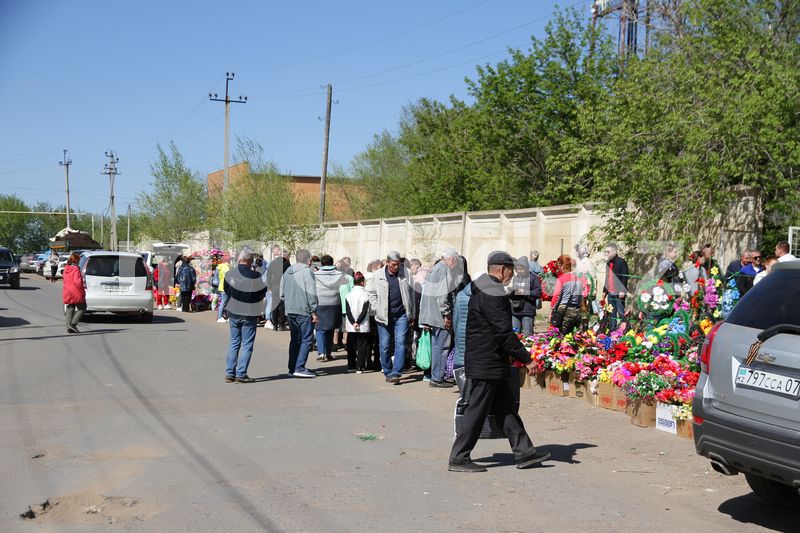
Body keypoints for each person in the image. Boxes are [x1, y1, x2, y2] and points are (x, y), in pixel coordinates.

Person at [448, 250, 550, 473]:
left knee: (505, 407)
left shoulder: (482, 288)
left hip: (490, 360)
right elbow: (503, 332)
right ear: (502, 269)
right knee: (476, 410)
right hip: (487, 362)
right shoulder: (492, 292)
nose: (512, 276)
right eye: (511, 271)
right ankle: (459, 457)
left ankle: (525, 453)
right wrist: (526, 358)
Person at [367, 250, 416, 384]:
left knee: (400, 343)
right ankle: (387, 371)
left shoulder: (406, 273)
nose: (396, 267)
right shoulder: (378, 275)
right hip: (383, 316)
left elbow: (411, 293)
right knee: (385, 345)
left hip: (401, 315)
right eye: (393, 264)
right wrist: (377, 307)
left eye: (398, 264)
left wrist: (412, 313)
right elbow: (370, 293)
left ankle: (396, 372)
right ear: (387, 262)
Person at [223, 247, 269, 384]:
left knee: (234, 342)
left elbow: (226, 291)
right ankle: (241, 373)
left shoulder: (230, 274)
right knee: (247, 344)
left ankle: (230, 372)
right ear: (250, 261)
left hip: (234, 310)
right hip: (249, 312)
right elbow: (261, 292)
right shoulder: (255, 275)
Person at [419, 248, 461, 388]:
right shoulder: (444, 270)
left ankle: (436, 376)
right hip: (439, 315)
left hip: (433, 313)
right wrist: (447, 314)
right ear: (452, 259)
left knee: (437, 346)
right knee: (442, 346)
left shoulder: (436, 268)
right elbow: (442, 296)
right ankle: (437, 377)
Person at [281, 249, 319, 378]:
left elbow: (281, 293)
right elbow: (311, 293)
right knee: (306, 339)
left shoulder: (287, 271)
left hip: (290, 310)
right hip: (303, 310)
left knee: (295, 339)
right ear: (309, 260)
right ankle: (299, 367)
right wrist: (314, 310)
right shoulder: (307, 272)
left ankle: (292, 367)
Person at [314, 255, 346, 362]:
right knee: (331, 329)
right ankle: (328, 352)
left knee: (320, 328)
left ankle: (322, 353)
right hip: (334, 303)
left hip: (320, 303)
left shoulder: (315, 274)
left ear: (322, 263)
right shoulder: (339, 274)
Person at [549, 255, 583, 335]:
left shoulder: (561, 279)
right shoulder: (578, 279)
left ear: (562, 265)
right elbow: (580, 297)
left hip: (564, 311)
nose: (558, 268)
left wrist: (552, 310)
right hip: (576, 310)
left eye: (558, 265)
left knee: (561, 336)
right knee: (573, 336)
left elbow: (556, 296)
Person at [345, 272, 371, 373]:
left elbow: (347, 310)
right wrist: (358, 322)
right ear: (362, 283)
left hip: (351, 325)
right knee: (362, 345)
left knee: (351, 345)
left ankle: (351, 365)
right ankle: (360, 366)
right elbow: (364, 311)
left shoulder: (348, 295)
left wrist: (353, 322)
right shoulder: (366, 295)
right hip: (362, 324)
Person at [509, 256, 541, 337]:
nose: (519, 271)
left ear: (526, 268)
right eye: (518, 269)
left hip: (527, 311)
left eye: (521, 269)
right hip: (515, 311)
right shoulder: (515, 278)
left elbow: (538, 292)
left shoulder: (534, 278)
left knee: (528, 336)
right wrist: (511, 292)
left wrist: (525, 292)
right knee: (515, 336)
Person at [603, 243, 629, 330]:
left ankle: (626, 329)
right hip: (610, 292)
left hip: (619, 292)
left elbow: (624, 277)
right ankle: (612, 330)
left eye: (608, 252)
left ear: (614, 251)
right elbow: (607, 277)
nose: (606, 253)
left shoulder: (621, 262)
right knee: (611, 313)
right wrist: (604, 291)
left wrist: (622, 290)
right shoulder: (608, 263)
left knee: (621, 312)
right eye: (606, 252)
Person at [62, 252, 86, 334]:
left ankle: (68, 327)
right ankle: (73, 324)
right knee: (82, 308)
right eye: (78, 260)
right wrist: (82, 289)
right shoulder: (76, 269)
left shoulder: (66, 268)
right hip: (75, 291)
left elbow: (64, 280)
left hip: (67, 290)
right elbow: (78, 282)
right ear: (76, 260)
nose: (79, 262)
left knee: (70, 308)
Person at [267, 249, 290, 330]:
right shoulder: (287, 264)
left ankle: (275, 324)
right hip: (284, 286)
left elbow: (268, 275)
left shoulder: (273, 263)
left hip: (275, 286)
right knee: (283, 305)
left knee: (275, 305)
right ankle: (281, 324)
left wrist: (269, 286)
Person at [216, 256, 231, 322]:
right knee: (225, 302)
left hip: (221, 285)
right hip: (226, 286)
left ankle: (223, 316)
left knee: (224, 302)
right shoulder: (226, 267)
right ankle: (220, 317)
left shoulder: (219, 267)